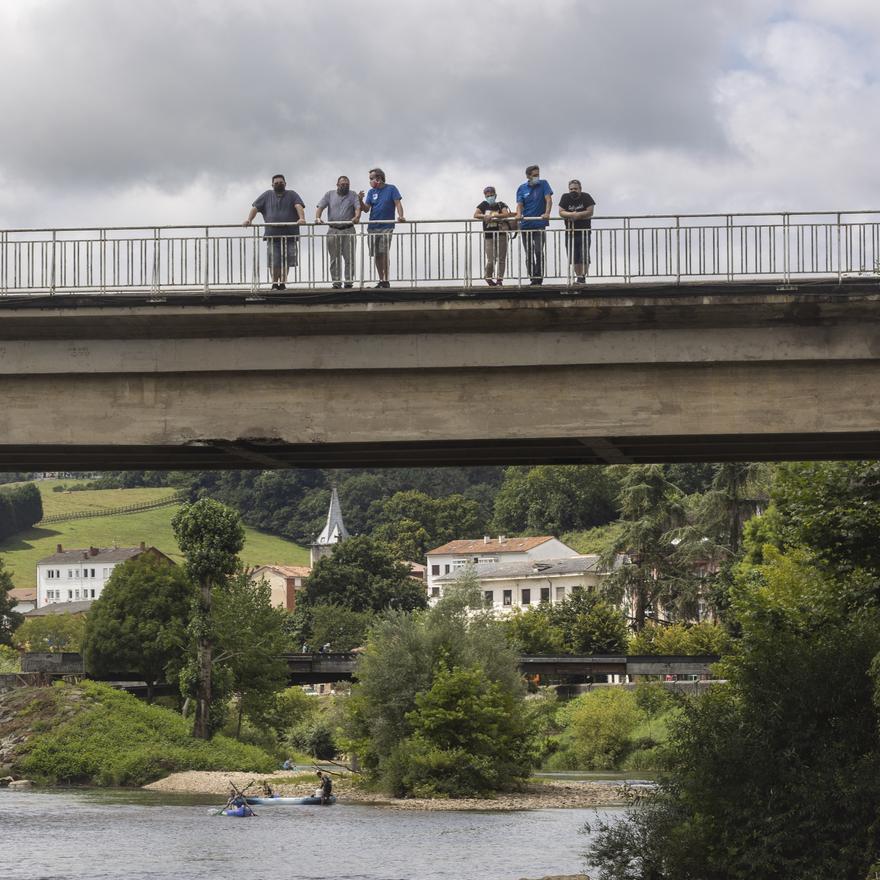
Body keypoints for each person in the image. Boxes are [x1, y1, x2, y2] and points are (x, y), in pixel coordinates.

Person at [244, 174, 306, 290]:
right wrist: (249, 219)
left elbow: (298, 206)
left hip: (289, 235)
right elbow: (255, 208)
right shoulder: (267, 195)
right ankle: (274, 284)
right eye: (276, 183)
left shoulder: (292, 194)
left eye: (281, 182)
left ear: (285, 184)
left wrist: (301, 218)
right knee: (274, 261)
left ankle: (282, 283)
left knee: (286, 261)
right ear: (272, 185)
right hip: (273, 235)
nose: (279, 184)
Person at [357, 168, 404, 288]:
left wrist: (401, 216)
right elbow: (366, 209)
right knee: (376, 254)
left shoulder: (391, 188)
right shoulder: (371, 192)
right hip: (373, 227)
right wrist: (360, 200)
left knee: (384, 252)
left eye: (372, 178)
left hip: (386, 226)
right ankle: (381, 279)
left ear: (379, 178)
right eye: (370, 179)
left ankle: (386, 280)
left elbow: (397, 203)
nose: (371, 181)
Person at [316, 175, 361, 289]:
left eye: (347, 184)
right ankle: (336, 283)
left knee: (349, 257)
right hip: (333, 230)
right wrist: (318, 217)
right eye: (342, 184)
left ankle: (349, 282)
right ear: (337, 185)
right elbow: (320, 207)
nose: (345, 186)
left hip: (348, 229)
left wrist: (356, 217)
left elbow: (357, 208)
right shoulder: (329, 194)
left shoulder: (353, 194)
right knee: (334, 258)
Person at [515, 164, 553, 285]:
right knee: (529, 252)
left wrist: (547, 213)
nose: (537, 177)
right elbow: (519, 204)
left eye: (538, 175)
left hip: (539, 223)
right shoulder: (522, 188)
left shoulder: (544, 184)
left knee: (538, 250)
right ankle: (532, 276)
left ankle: (539, 277)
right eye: (534, 175)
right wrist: (518, 214)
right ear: (528, 176)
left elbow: (548, 199)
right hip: (526, 224)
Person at [473, 186, 512, 286]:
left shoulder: (500, 204)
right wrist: (484, 216)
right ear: (485, 196)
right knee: (491, 259)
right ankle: (488, 277)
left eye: (491, 195)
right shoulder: (484, 204)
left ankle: (499, 279)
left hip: (501, 234)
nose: (490, 197)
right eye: (488, 195)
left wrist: (494, 216)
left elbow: (506, 214)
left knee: (501, 258)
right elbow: (476, 214)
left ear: (495, 195)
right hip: (489, 236)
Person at [558, 179, 596, 284]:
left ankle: (582, 277)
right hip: (570, 232)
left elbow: (590, 211)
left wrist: (578, 215)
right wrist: (571, 215)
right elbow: (561, 212)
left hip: (584, 231)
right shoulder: (565, 197)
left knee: (584, 256)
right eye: (571, 189)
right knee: (573, 257)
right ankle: (578, 276)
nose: (573, 191)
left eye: (575, 188)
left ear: (580, 189)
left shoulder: (586, 197)